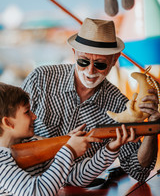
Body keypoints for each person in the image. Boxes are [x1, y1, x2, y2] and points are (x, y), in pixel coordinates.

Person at [22, 18, 160, 182]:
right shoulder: (41, 79)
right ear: (74, 53)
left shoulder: (119, 106)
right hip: (25, 182)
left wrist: (152, 126)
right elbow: (11, 134)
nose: (90, 70)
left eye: (100, 64)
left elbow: (139, 172)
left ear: (114, 60)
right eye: (83, 61)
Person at [0, 82, 136, 196]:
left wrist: (111, 148)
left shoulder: (32, 146)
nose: (34, 116)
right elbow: (37, 192)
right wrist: (69, 150)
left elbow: (78, 178)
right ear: (8, 123)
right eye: (27, 111)